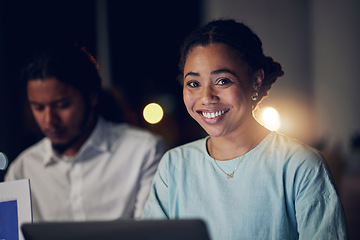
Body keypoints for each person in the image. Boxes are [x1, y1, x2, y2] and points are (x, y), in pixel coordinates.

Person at [142, 19, 348, 239]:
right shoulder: (174, 165)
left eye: (222, 81)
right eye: (193, 83)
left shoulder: (300, 165)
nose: (206, 97)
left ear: (256, 81)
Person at [5, 44, 166, 222]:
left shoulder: (143, 151)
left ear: (92, 97)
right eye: (38, 107)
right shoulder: (21, 170)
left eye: (62, 105)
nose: (49, 120)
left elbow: (150, 234)